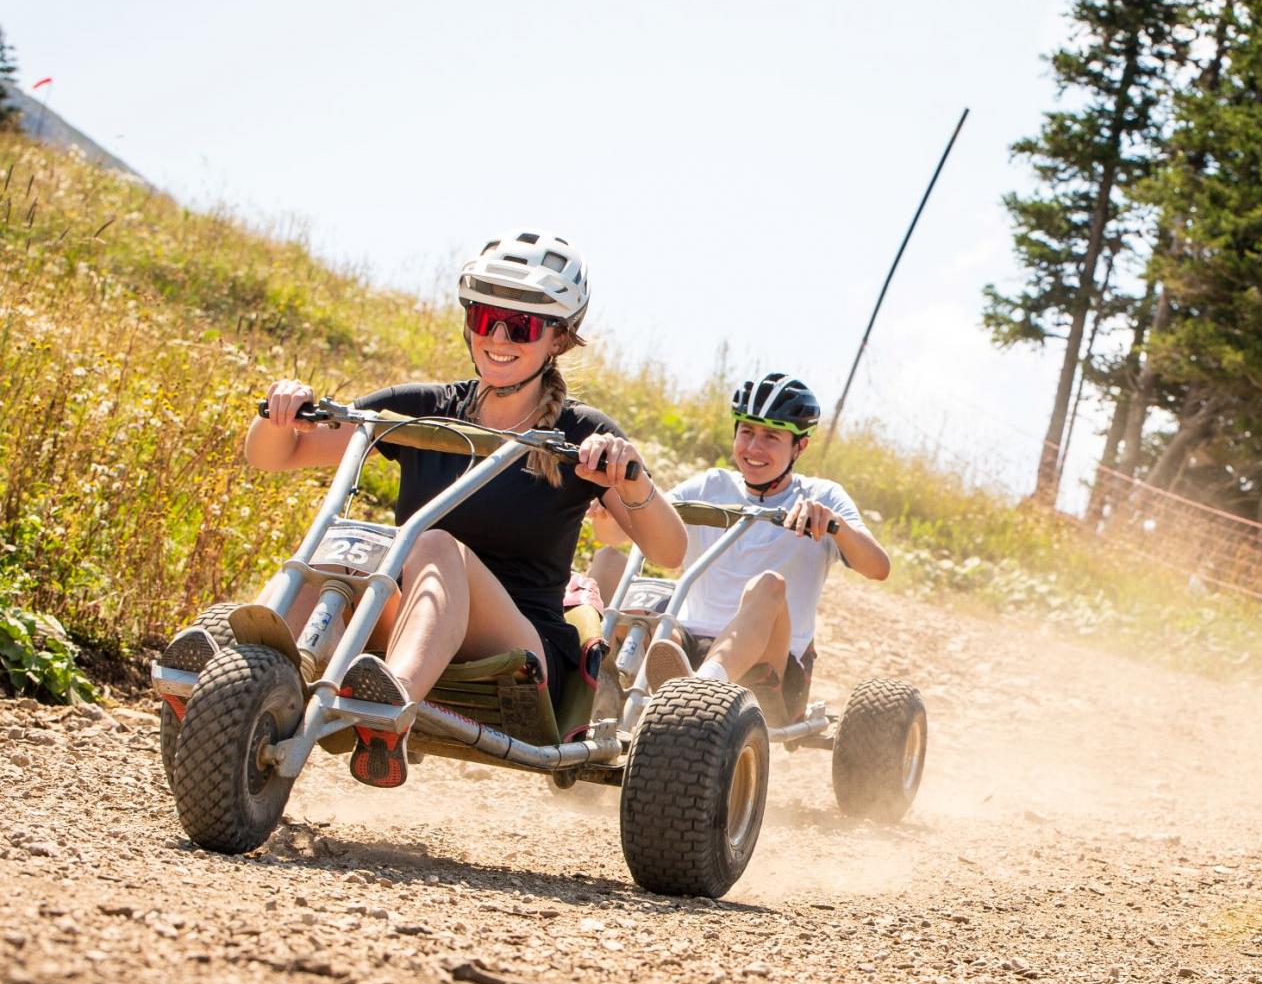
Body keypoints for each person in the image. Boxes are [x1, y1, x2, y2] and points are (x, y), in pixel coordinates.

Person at [243, 231, 687, 787]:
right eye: (485, 319)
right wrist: (279, 411)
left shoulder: (580, 435)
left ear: (557, 338)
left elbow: (670, 551)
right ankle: (243, 675)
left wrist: (630, 477)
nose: (498, 338)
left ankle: (391, 710)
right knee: (341, 557)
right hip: (411, 621)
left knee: (431, 543)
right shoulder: (422, 410)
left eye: (520, 326)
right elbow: (275, 455)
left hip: (519, 646)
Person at [589, 372, 889, 723]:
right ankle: (594, 677)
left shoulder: (822, 497)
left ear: (800, 446)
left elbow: (878, 568)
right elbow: (618, 534)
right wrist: (606, 515)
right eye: (746, 432)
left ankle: (702, 688)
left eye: (771, 437)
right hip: (685, 644)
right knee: (608, 562)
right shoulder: (710, 486)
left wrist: (834, 525)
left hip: (769, 663)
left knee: (769, 584)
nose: (754, 448)